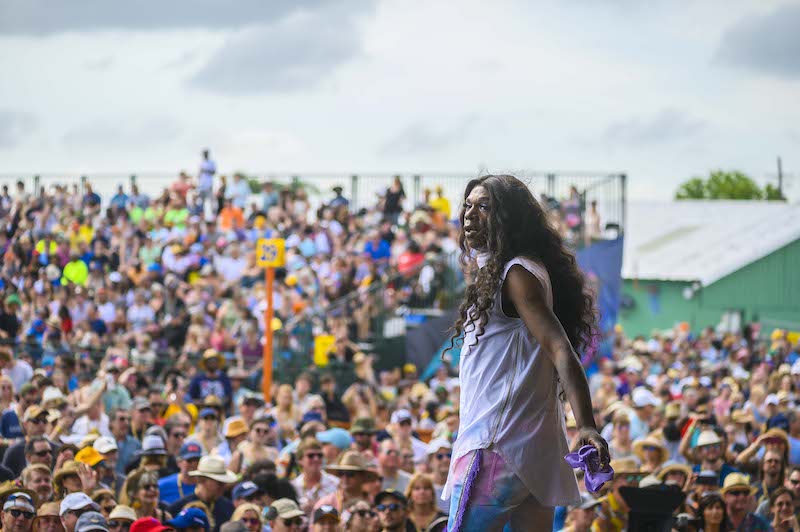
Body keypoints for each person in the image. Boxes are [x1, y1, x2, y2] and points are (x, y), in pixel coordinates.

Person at [444, 175, 609, 530]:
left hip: (495, 446)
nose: (470, 215)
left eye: (484, 206)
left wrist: (586, 425)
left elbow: (560, 348)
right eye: (468, 205)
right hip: (533, 454)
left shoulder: (516, 274)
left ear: (509, 218)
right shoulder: (514, 270)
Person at [167, 456, 237, 532]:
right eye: (219, 483)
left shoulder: (228, 508)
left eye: (224, 483)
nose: (223, 487)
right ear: (201, 480)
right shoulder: (178, 508)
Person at [291, 439, 338, 515]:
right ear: (300, 460)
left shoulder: (335, 483)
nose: (316, 459)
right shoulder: (294, 486)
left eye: (320, 455)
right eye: (311, 456)